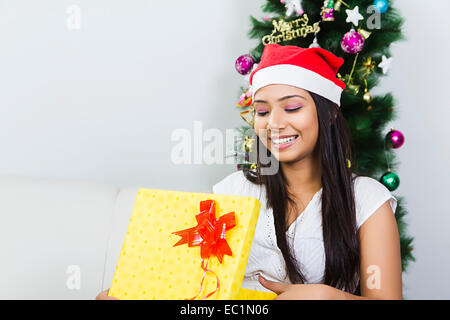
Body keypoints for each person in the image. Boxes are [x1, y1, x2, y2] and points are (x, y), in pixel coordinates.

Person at [97, 43, 402, 300]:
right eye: (262, 111)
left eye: (292, 107)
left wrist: (327, 296)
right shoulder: (232, 190)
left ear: (331, 114)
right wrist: (128, 291)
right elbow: (185, 278)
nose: (274, 123)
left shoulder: (366, 199)